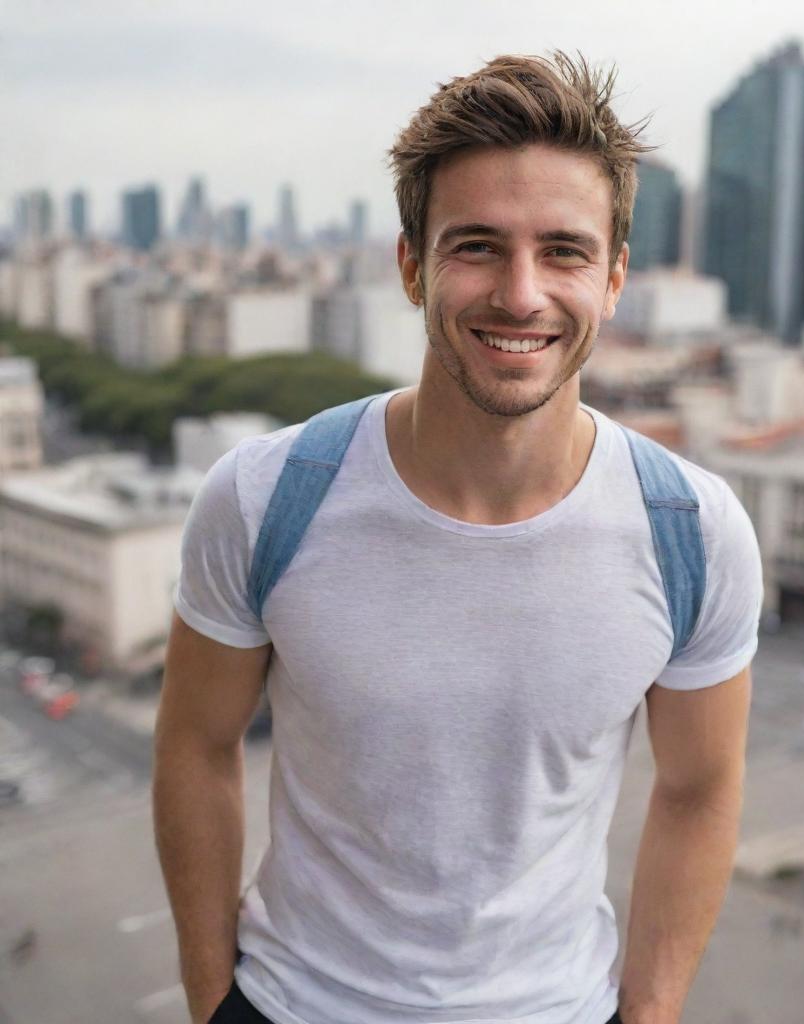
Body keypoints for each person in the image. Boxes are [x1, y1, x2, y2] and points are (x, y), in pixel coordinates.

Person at [153, 51, 762, 1024]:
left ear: (612, 280)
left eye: (562, 251)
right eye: (476, 245)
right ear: (411, 264)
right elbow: (195, 743)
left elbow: (698, 790)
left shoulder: (690, 531)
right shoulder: (266, 498)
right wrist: (211, 1000)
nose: (519, 294)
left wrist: (647, 1016)